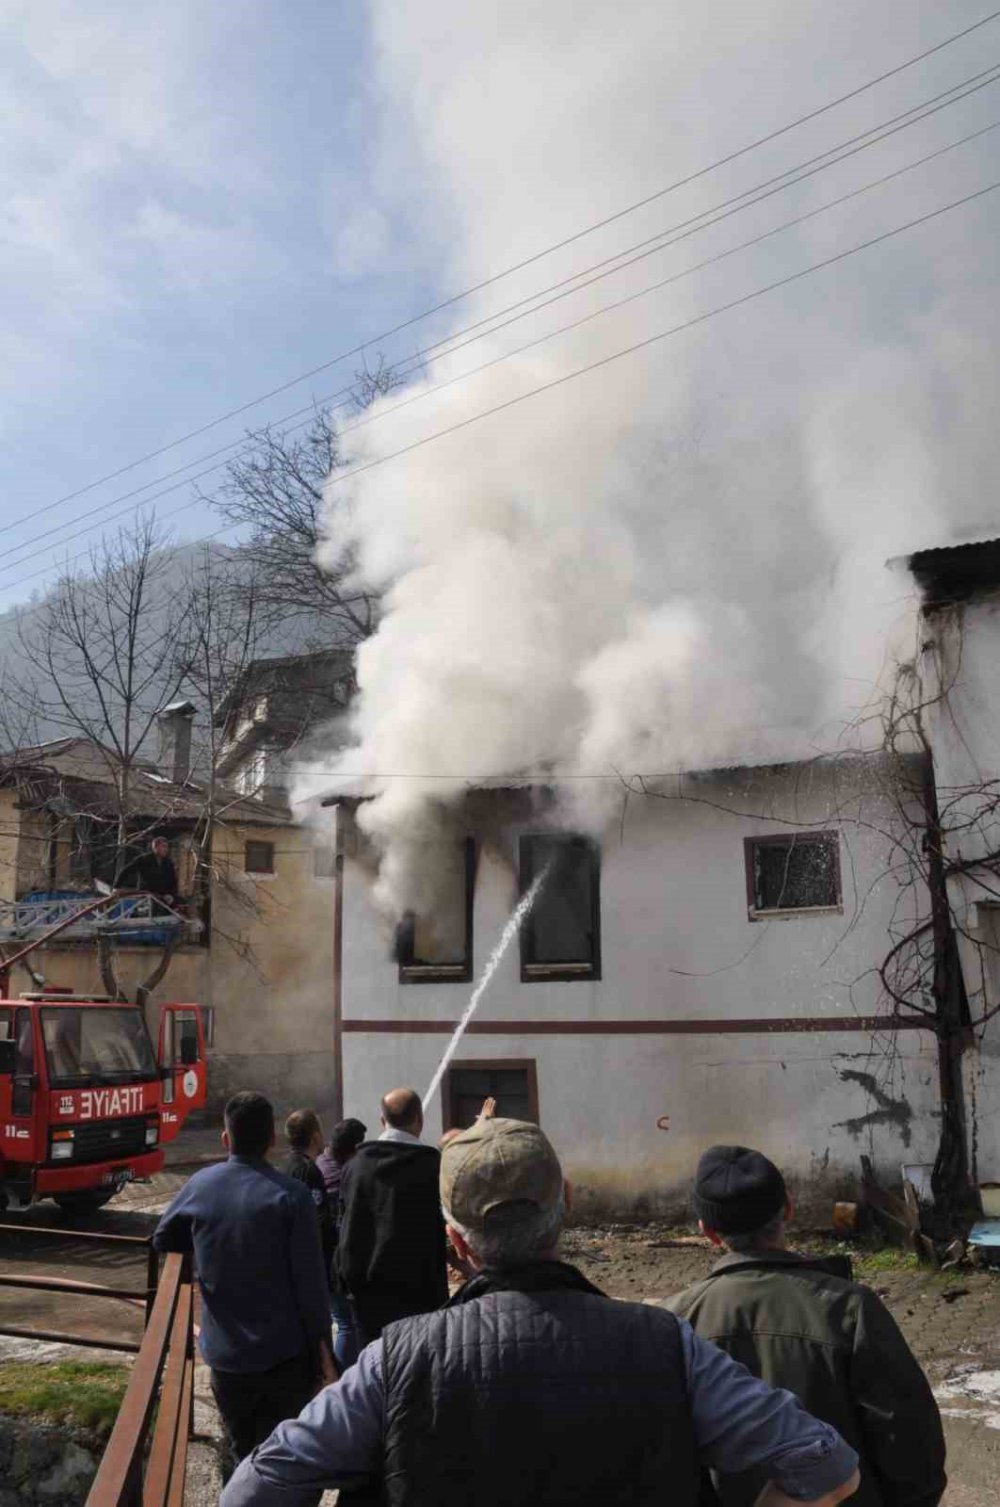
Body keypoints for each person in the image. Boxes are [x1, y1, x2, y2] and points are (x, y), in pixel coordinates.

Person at [221, 1117, 861, 1507]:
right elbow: (825, 1462)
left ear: (457, 1242)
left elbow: (260, 1484)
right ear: (569, 1206)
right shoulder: (664, 1343)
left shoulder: (396, 1359)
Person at [667, 1145, 946, 1507]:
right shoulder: (850, 1309)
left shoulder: (673, 1324)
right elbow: (912, 1448)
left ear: (708, 1231)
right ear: (789, 1208)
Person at [153, 1091, 335, 1479]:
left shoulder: (201, 1185)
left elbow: (163, 1238)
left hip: (227, 1357)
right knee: (285, 1456)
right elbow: (311, 1284)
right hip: (285, 1359)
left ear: (225, 1138)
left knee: (242, 1455)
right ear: (272, 1139)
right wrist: (325, 1353)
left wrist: (206, 1251)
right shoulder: (293, 1196)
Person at [335, 1087, 448, 1344]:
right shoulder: (433, 1166)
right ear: (420, 1119)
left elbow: (346, 1227)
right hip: (422, 1298)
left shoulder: (355, 1167)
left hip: (368, 1299)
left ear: (382, 1121)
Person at [315, 1116, 368, 1370]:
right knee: (347, 1322)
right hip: (339, 1259)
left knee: (340, 1319)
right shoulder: (345, 1174)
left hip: (322, 1259)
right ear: (354, 1147)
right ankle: (346, 1378)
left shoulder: (320, 1164)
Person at [117, 835, 180, 912]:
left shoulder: (168, 863)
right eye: (163, 847)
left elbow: (173, 880)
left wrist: (171, 894)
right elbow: (126, 870)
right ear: (155, 847)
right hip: (146, 895)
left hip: (163, 896)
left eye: (167, 847)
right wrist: (117, 887)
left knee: (179, 902)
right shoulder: (144, 860)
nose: (166, 849)